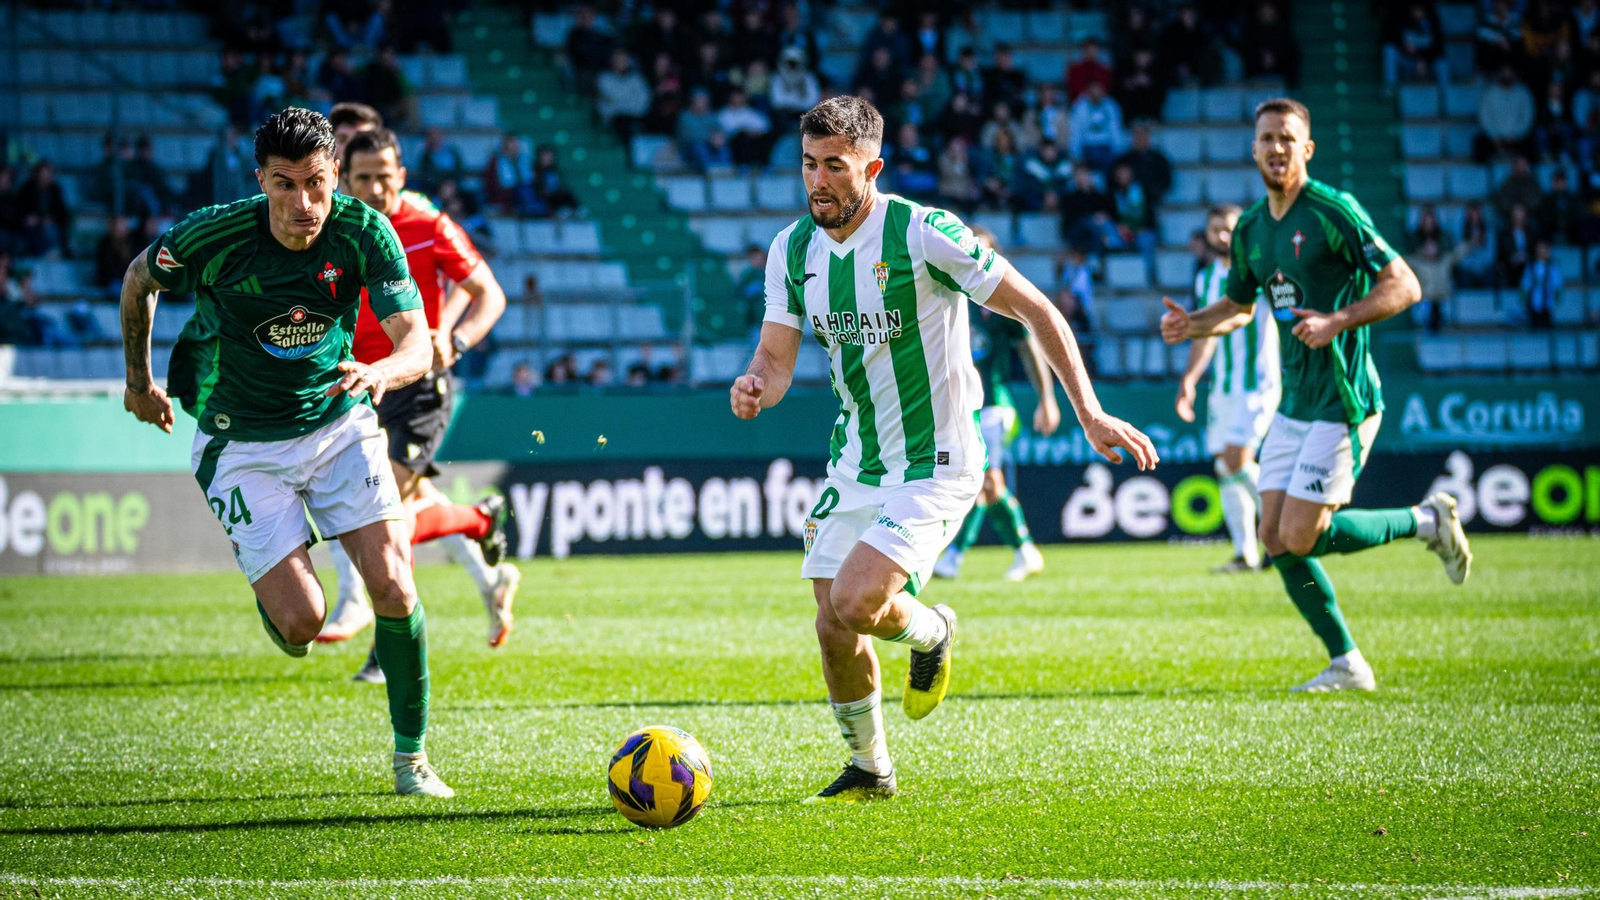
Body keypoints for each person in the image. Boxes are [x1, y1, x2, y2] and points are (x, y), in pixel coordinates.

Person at [732, 96, 1157, 801]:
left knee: (859, 599)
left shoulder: (923, 232)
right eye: (808, 165)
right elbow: (775, 362)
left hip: (940, 459)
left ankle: (932, 631)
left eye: (834, 166)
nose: (817, 182)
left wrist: (1089, 411)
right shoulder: (792, 250)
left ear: (872, 167)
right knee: (831, 623)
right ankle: (871, 768)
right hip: (857, 457)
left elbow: (1035, 308)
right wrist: (754, 384)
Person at [118, 107, 452, 796]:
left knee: (393, 583)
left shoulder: (363, 231)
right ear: (260, 181)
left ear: (336, 176)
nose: (305, 204)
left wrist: (382, 372)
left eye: (318, 183)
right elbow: (137, 280)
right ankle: (282, 595)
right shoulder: (214, 234)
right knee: (303, 622)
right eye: (284, 185)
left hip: (338, 420)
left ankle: (411, 760)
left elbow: (416, 340)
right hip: (240, 443)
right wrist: (138, 381)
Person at [1160, 98, 1471, 694]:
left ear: (1306, 149)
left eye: (1287, 138)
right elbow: (1238, 308)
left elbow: (1404, 284)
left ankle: (1425, 521)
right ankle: (1347, 663)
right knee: (1277, 539)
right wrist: (1192, 324)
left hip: (1344, 398)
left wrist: (1338, 320)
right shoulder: (1251, 228)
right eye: (1266, 138)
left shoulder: (1333, 211)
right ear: (1253, 149)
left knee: (1299, 536)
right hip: (1294, 405)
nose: (1276, 148)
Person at [322, 128, 520, 671]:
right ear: (345, 179)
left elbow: (490, 293)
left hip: (417, 389)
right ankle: (479, 519)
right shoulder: (329, 231)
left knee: (376, 517)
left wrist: (452, 341)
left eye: (385, 176)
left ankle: (387, 648)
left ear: (401, 177)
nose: (375, 187)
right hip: (358, 388)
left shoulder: (429, 226)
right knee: (383, 517)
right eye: (363, 178)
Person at [933, 227, 1061, 582]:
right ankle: (1011, 552)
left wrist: (1046, 399)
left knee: (984, 481)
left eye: (980, 249)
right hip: (958, 408)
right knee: (983, 485)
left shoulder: (999, 303)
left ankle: (968, 556)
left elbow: (1030, 350)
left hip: (992, 407)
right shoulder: (945, 295)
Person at [1173, 205, 1280, 573]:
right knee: (1225, 466)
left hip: (1258, 384)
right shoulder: (1205, 279)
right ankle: (1244, 554)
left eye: (1228, 229)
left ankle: (1281, 536)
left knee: (1236, 460)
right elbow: (1206, 337)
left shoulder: (1259, 269)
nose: (1221, 236)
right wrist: (1189, 380)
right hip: (1223, 388)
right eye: (1214, 229)